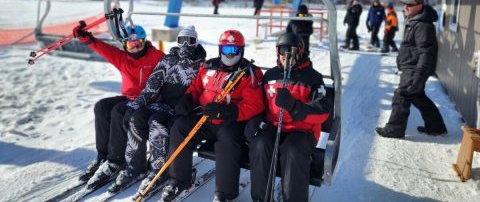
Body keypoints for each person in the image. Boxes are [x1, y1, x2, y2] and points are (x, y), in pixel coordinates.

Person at [160, 30, 265, 202]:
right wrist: (188, 98)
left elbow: (255, 105)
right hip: (205, 117)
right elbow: (196, 87)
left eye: (234, 50)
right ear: (220, 49)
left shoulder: (249, 73)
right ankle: (179, 179)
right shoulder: (208, 66)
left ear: (242, 50)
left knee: (228, 141)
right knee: (180, 127)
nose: (230, 55)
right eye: (226, 50)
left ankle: (224, 192)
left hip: (231, 121)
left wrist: (228, 111)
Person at [106, 26, 207, 193]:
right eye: (182, 40)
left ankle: (159, 169)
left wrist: (190, 106)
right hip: (163, 103)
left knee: (156, 122)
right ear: (178, 41)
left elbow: (202, 91)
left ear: (196, 43)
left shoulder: (201, 65)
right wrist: (134, 105)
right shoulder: (168, 60)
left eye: (191, 41)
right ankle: (135, 165)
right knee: (137, 117)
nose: (186, 45)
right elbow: (152, 86)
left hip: (183, 109)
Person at [74, 24, 165, 189]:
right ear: (125, 45)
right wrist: (88, 39)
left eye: (138, 43)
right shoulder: (123, 58)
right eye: (131, 44)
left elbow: (172, 71)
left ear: (144, 41)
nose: (135, 47)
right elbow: (105, 50)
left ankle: (116, 160)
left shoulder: (156, 56)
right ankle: (103, 155)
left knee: (118, 111)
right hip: (130, 98)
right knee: (101, 107)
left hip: (149, 100)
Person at [245, 32, 331, 202]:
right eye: (283, 50)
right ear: (277, 52)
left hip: (302, 131)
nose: (287, 55)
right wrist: (255, 120)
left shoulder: (312, 77)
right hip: (273, 127)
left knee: (293, 150)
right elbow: (259, 104)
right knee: (260, 144)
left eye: (292, 50)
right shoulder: (270, 76)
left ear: (300, 52)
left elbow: (322, 110)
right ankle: (260, 198)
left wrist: (295, 107)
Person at [375, 0, 448, 138]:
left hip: (415, 69)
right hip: (411, 66)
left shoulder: (422, 26)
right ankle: (436, 127)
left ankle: (395, 129)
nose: (405, 7)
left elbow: (426, 52)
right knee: (417, 96)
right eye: (404, 4)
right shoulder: (414, 20)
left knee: (401, 96)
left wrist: (419, 75)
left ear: (419, 6)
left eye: (409, 5)